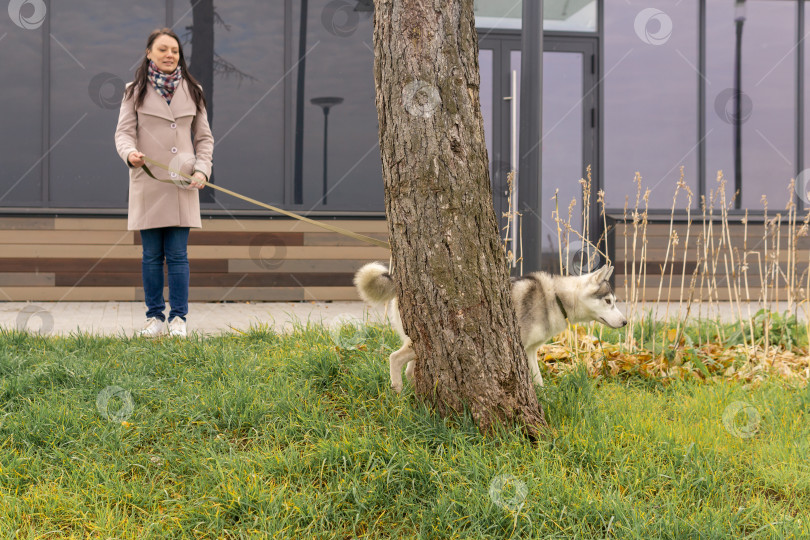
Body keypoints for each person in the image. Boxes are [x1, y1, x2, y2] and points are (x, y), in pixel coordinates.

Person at [114, 28, 213, 338]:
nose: (170, 55)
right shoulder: (134, 91)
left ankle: (179, 319)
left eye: (175, 50)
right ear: (149, 53)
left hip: (182, 183)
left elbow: (204, 138)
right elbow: (123, 133)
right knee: (152, 255)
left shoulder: (193, 89)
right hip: (149, 181)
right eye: (163, 49)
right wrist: (130, 154)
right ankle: (154, 318)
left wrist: (202, 169)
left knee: (179, 254)